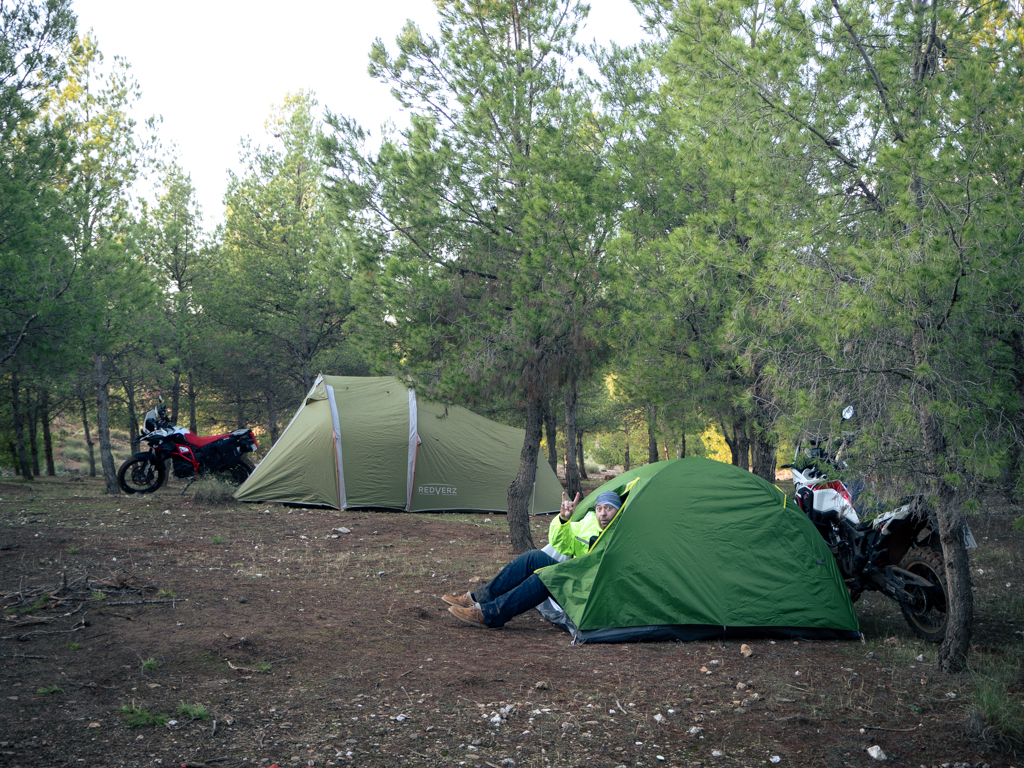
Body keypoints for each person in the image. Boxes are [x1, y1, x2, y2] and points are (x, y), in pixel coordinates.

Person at [443, 490, 623, 628]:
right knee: (533, 557)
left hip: (590, 590)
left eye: (609, 508)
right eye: (599, 508)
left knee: (546, 577)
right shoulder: (588, 525)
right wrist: (563, 520)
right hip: (574, 577)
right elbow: (562, 544)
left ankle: (491, 615)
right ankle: (477, 598)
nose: (603, 513)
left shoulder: (623, 534)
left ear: (619, 510)